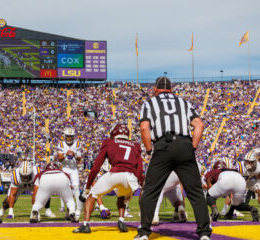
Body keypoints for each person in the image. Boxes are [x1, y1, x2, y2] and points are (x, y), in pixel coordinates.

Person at [136, 76, 212, 240]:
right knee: (195, 191)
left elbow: (144, 127)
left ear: (155, 90)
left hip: (163, 145)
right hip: (184, 144)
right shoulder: (183, 102)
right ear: (171, 89)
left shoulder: (150, 104)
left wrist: (150, 151)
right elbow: (199, 125)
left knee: (151, 190)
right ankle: (205, 233)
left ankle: (144, 232)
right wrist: (192, 147)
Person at [73, 123, 143, 233]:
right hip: (130, 176)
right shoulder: (135, 145)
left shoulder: (109, 142)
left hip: (115, 173)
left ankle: (85, 225)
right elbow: (140, 168)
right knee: (122, 196)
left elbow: (96, 166)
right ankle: (121, 220)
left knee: (92, 196)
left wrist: (88, 185)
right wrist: (136, 184)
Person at [56, 127, 83, 220]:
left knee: (76, 187)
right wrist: (66, 154)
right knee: (64, 189)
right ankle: (68, 210)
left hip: (73, 168)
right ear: (65, 136)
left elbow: (79, 159)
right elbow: (59, 158)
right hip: (65, 168)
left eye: (71, 136)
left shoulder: (77, 143)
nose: (69, 138)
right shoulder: (61, 144)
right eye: (68, 136)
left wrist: (74, 154)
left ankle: (78, 211)